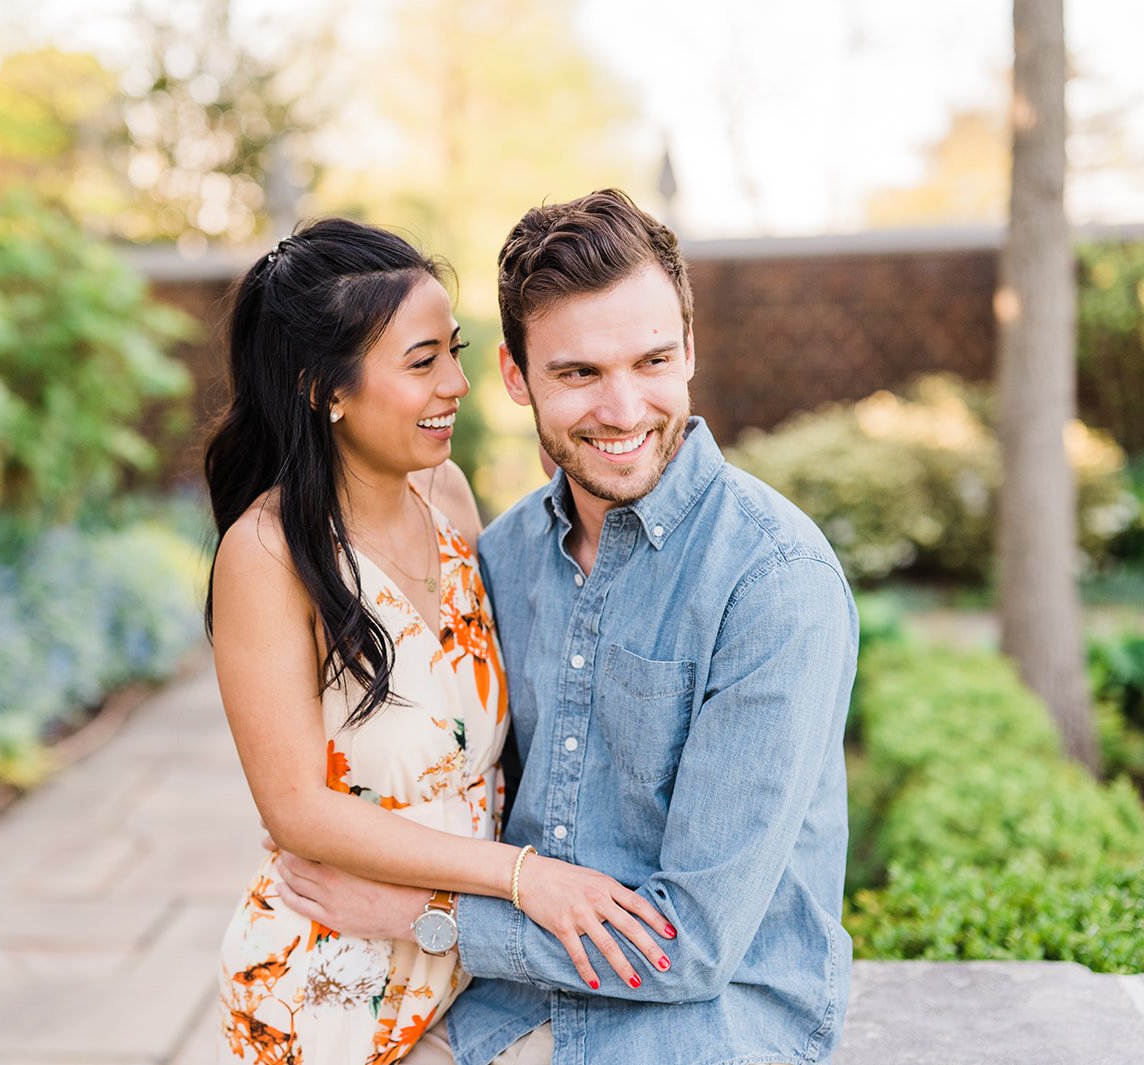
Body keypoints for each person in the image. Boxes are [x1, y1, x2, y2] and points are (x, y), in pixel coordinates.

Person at [272, 189, 859, 1065]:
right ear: (516, 377)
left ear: (689, 351)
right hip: (509, 1001)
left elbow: (690, 944)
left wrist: (414, 915)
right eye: (579, 373)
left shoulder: (774, 583)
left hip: (707, 1023)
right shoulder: (501, 558)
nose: (623, 410)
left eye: (652, 361)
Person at [204, 218, 675, 1065]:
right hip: (333, 979)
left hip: (472, 971)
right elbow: (297, 809)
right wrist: (524, 878)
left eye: (452, 351)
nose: (459, 383)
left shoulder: (445, 494)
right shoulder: (266, 553)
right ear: (326, 388)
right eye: (422, 363)